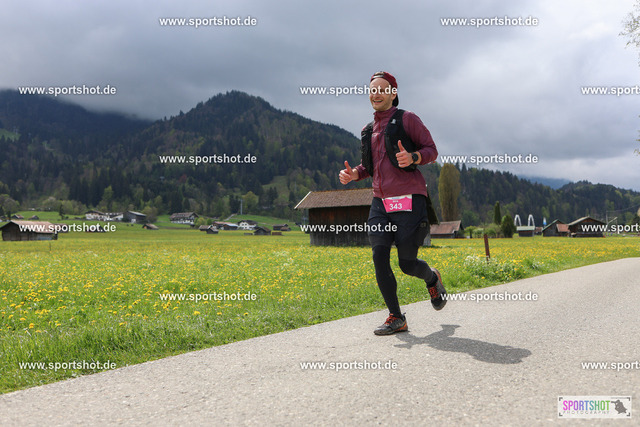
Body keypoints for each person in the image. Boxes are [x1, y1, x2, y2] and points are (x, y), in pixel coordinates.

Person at [339, 71, 447, 336]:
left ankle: (432, 278)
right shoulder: (368, 130)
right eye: (372, 90)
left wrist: (414, 157)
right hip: (380, 203)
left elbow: (431, 150)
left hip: (409, 200)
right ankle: (396, 317)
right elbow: (369, 167)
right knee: (379, 256)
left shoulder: (408, 119)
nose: (376, 94)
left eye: (382, 89)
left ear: (393, 93)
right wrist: (354, 174)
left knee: (407, 263)